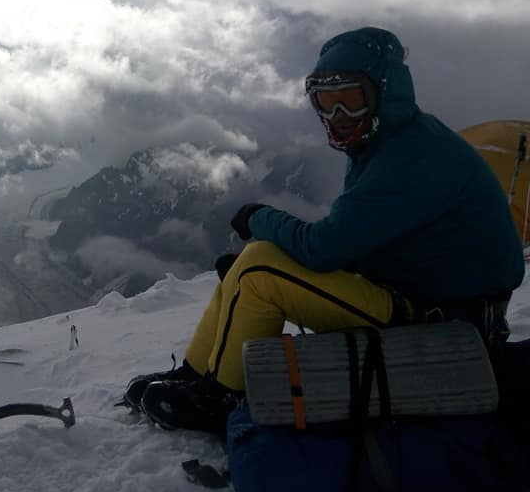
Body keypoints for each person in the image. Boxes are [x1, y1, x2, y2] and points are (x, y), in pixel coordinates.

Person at [125, 26, 526, 435]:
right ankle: (197, 374)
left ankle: (222, 398)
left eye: (350, 100)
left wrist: (257, 217)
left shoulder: (411, 157)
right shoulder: (391, 142)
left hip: (442, 324)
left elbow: (324, 247)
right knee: (253, 263)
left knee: (260, 268)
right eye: (325, 102)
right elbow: (361, 239)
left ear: (384, 93)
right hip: (424, 301)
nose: (337, 117)